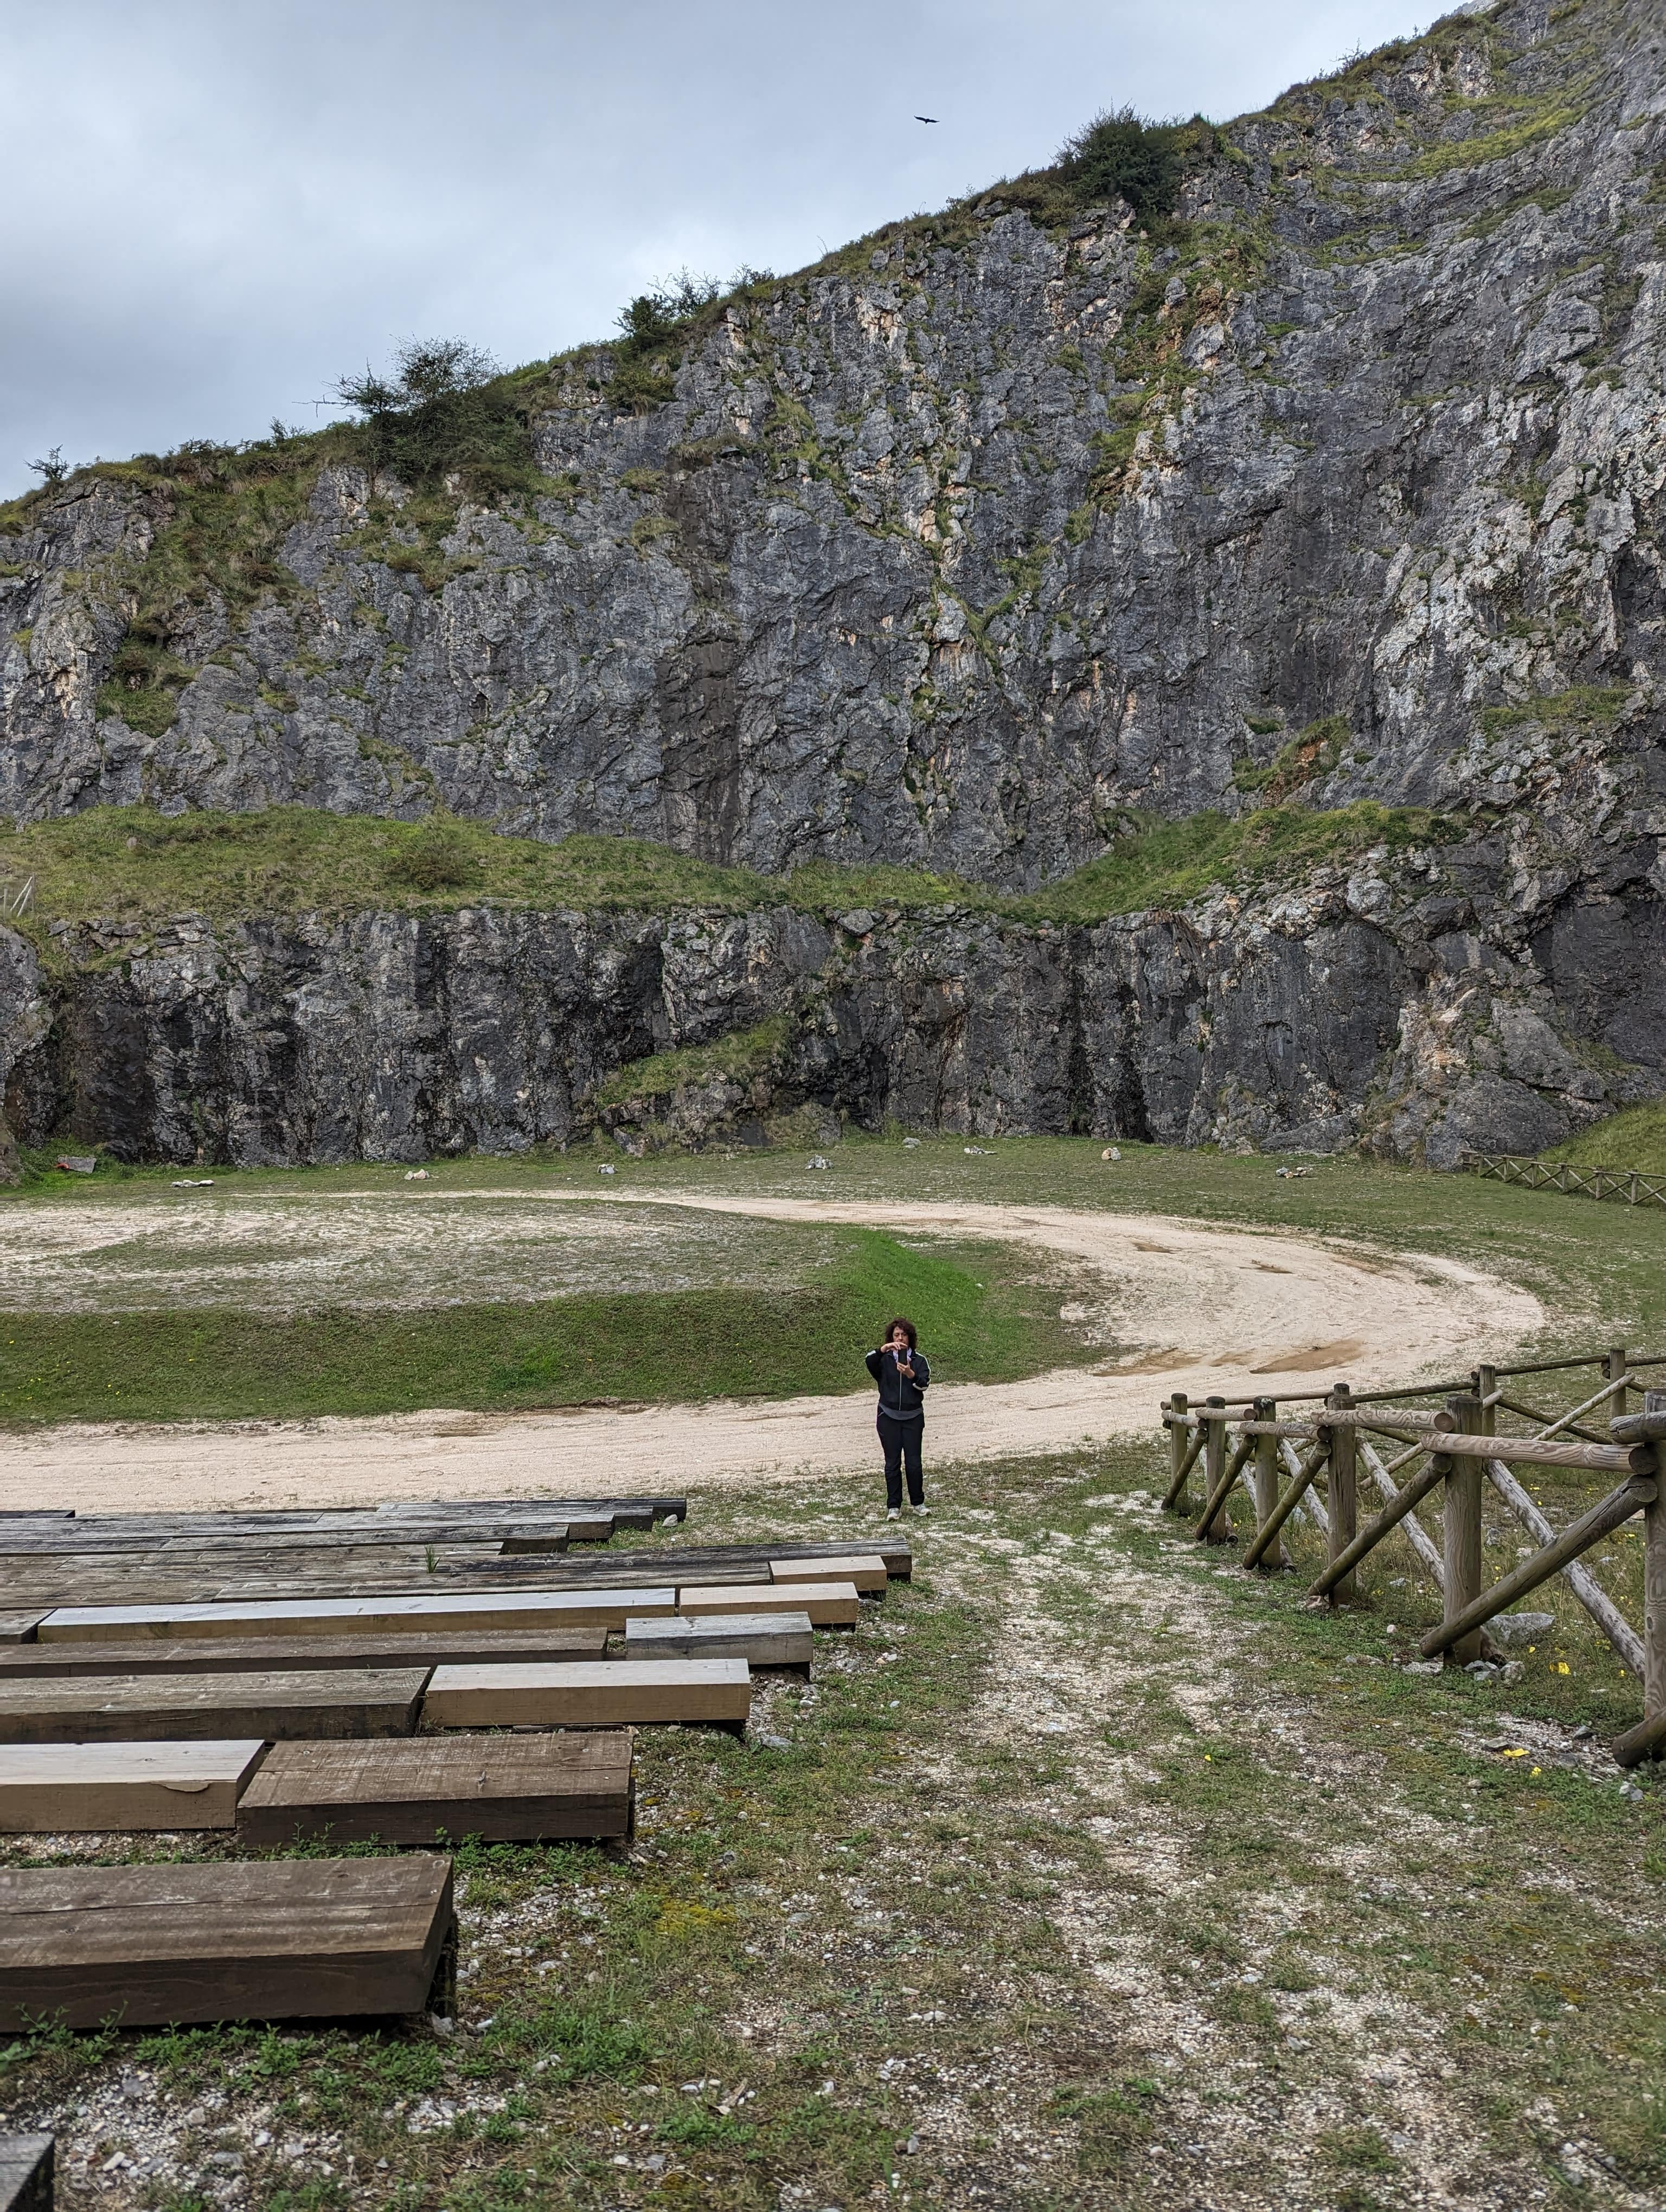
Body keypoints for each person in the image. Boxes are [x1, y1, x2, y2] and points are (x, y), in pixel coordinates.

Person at [865, 1315, 930, 1519]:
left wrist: (911, 1374)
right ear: (891, 1338)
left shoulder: (920, 1361)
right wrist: (884, 1349)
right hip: (888, 1416)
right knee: (892, 1464)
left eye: (904, 1335)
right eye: (896, 1335)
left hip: (913, 1418)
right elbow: (869, 1360)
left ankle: (918, 1503)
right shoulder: (883, 1361)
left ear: (910, 1338)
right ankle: (894, 1507)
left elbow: (924, 1385)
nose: (900, 1338)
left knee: (914, 1463)